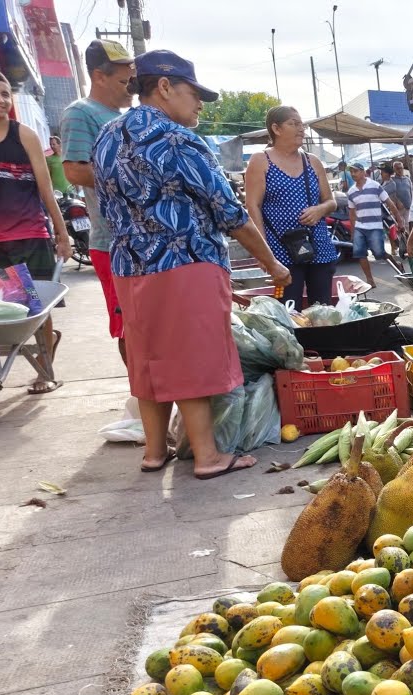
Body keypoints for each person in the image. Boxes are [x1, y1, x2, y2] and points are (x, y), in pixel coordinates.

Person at [93, 49, 289, 477]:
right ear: (163, 87)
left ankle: (153, 452)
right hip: (184, 262)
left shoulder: (107, 136)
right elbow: (229, 212)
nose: (200, 104)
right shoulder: (180, 139)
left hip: (128, 265)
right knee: (191, 356)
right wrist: (272, 264)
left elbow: (107, 205)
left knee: (148, 356)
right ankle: (208, 456)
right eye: (193, 93)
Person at [0, 68, 73, 394]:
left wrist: (62, 236)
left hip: (31, 236)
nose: (0, 99)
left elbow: (47, 190)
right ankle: (1, 370)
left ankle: (45, 371)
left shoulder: (24, 136)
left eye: (5, 93)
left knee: (36, 310)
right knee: (0, 312)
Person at [61, 38, 135, 357]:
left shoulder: (127, 116)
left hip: (145, 240)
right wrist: (137, 180)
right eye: (123, 81)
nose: (129, 88)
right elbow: (75, 171)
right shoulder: (82, 113)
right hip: (114, 241)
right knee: (129, 328)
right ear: (98, 76)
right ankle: (145, 401)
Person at [244, 105, 340, 308]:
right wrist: (263, 252)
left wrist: (320, 210)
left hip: (318, 248)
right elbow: (253, 206)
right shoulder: (261, 160)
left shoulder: (313, 161)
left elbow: (331, 201)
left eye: (302, 124)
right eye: (294, 124)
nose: (301, 129)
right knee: (287, 310)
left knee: (323, 311)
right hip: (280, 252)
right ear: (276, 129)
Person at [347, 162, 401, 288]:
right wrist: (353, 231)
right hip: (360, 227)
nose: (353, 174)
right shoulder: (351, 191)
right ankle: (370, 280)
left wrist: (399, 219)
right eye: (352, 172)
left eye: (356, 171)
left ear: (363, 172)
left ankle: (397, 265)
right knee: (360, 253)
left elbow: (389, 202)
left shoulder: (375, 185)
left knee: (379, 253)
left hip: (375, 226)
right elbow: (352, 213)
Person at [383, 160, 413, 235]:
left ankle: (408, 242)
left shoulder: (407, 179)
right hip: (397, 208)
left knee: (408, 225)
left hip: (408, 206)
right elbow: (389, 194)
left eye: (401, 168)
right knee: (400, 226)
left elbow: (411, 192)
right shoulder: (392, 180)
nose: (400, 170)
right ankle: (402, 242)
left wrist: (412, 203)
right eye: (398, 168)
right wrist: (396, 201)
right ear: (394, 169)